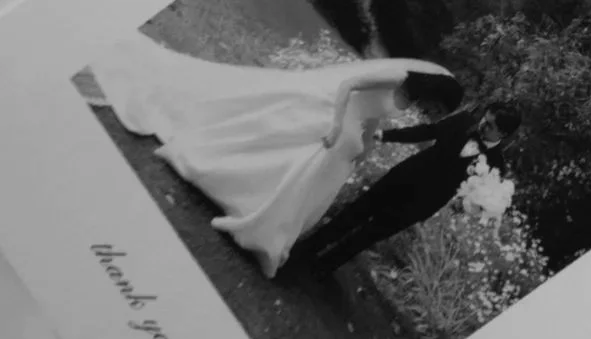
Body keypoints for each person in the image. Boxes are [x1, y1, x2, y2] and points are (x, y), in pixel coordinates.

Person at [83, 34, 461, 276]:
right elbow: (348, 86)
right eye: (439, 106)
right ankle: (247, 202)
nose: (435, 113)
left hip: (350, 128)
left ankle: (272, 226)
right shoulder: (399, 78)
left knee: (332, 162)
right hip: (332, 110)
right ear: (435, 92)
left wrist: (366, 146)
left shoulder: (410, 98)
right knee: (314, 151)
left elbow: (374, 115)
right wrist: (335, 126)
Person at [288, 100, 521, 275]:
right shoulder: (464, 122)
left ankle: (322, 268)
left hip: (421, 204)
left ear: (503, 134)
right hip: (403, 176)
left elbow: (475, 203)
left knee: (370, 234)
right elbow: (427, 131)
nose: (482, 125)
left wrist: (471, 206)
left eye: (489, 126)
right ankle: (305, 250)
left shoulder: (496, 167)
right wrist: (383, 135)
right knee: (354, 211)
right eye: (484, 119)